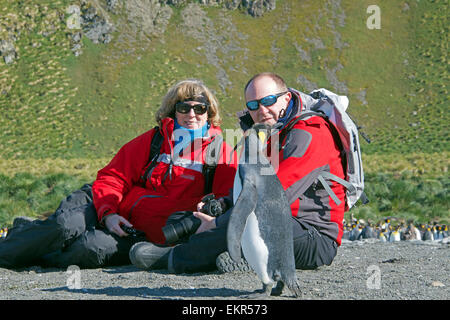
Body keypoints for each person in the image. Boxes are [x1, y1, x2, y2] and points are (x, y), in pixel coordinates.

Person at [0, 79, 237, 269]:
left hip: (139, 234)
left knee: (89, 248)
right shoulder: (155, 140)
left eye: (200, 108)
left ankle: (31, 248)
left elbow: (226, 199)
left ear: (209, 113)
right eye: (184, 107)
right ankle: (7, 252)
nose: (191, 114)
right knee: (65, 224)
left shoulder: (220, 153)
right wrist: (109, 214)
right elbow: (113, 178)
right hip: (109, 205)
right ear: (173, 111)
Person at [130, 72, 345, 273]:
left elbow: (270, 198)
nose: (262, 110)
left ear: (287, 98)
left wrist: (215, 224)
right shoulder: (272, 133)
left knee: (252, 222)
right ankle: (241, 256)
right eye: (253, 104)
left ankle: (175, 258)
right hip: (282, 220)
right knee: (186, 218)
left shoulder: (311, 134)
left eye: (269, 100)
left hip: (312, 235)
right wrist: (222, 205)